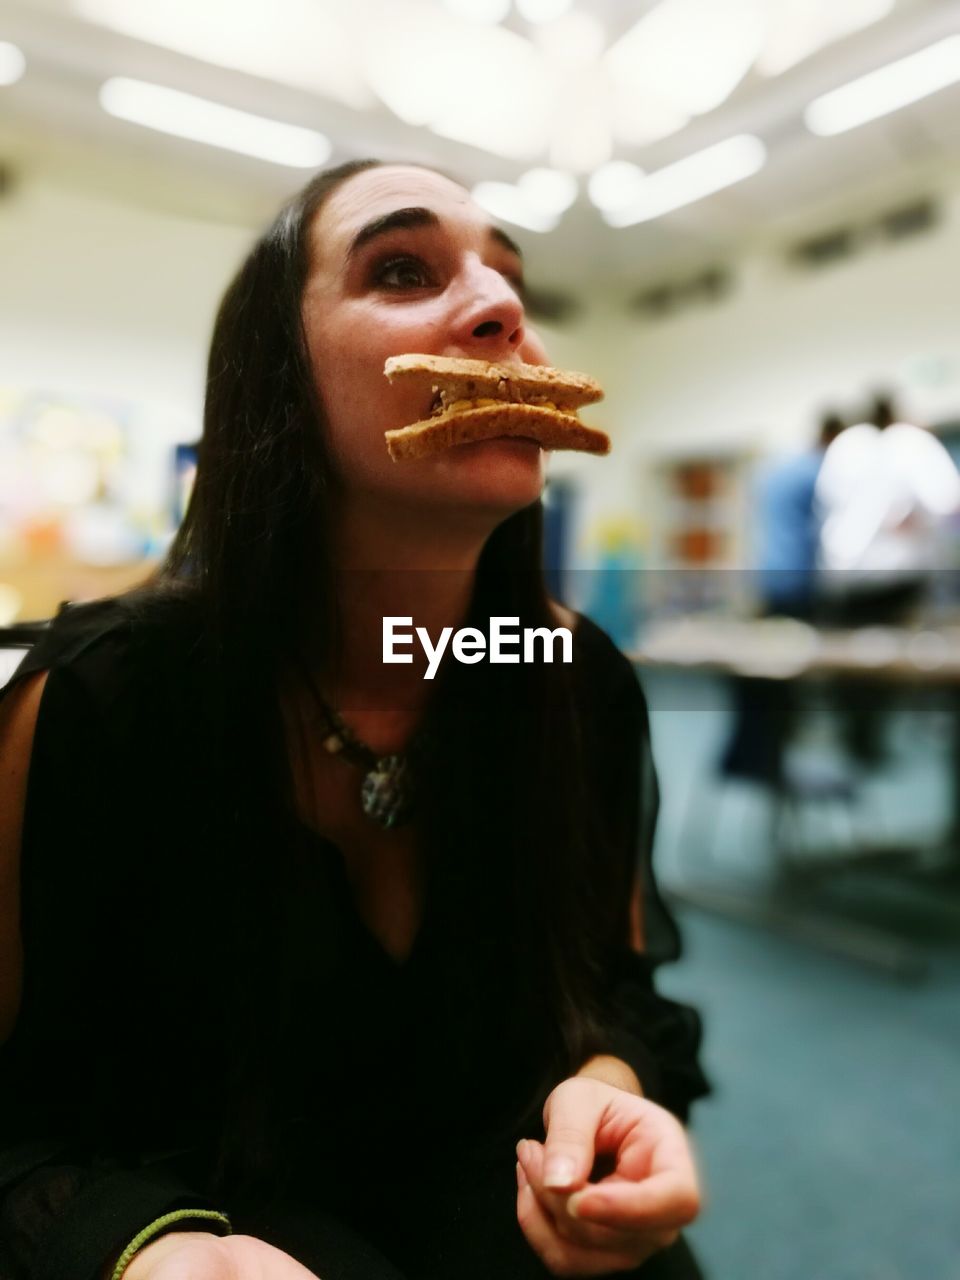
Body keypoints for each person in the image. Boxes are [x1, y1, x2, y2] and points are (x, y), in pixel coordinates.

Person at [0, 159, 710, 1280]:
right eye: (402, 267)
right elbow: (17, 1118)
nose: (504, 309)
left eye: (509, 280)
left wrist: (609, 1095)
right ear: (276, 381)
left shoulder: (575, 684)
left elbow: (617, 995)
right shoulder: (91, 701)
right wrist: (144, 1250)